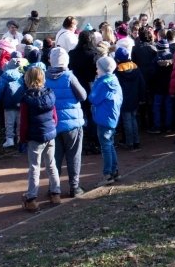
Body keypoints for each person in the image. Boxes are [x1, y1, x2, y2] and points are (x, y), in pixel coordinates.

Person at [46, 47, 87, 198]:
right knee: (73, 156)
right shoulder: (69, 77)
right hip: (72, 124)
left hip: (52, 124)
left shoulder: (44, 77)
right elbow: (82, 96)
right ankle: (74, 187)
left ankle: (53, 188)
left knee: (54, 158)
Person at [19, 67, 61, 210]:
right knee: (51, 164)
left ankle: (31, 198)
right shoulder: (50, 95)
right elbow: (55, 116)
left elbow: (23, 123)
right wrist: (53, 127)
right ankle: (56, 193)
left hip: (34, 137)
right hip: (50, 134)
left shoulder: (26, 99)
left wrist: (22, 139)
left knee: (34, 167)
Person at [90, 57, 123, 186]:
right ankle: (114, 171)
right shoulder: (114, 80)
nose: (96, 70)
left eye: (98, 68)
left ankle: (107, 174)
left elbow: (93, 98)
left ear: (103, 69)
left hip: (104, 119)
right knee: (109, 144)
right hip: (111, 117)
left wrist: (95, 83)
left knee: (106, 147)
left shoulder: (104, 83)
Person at [115, 47, 145, 151]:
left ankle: (130, 143)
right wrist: (142, 97)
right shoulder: (135, 67)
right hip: (134, 97)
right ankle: (136, 141)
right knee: (133, 120)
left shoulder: (118, 70)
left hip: (124, 99)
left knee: (127, 121)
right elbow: (142, 83)